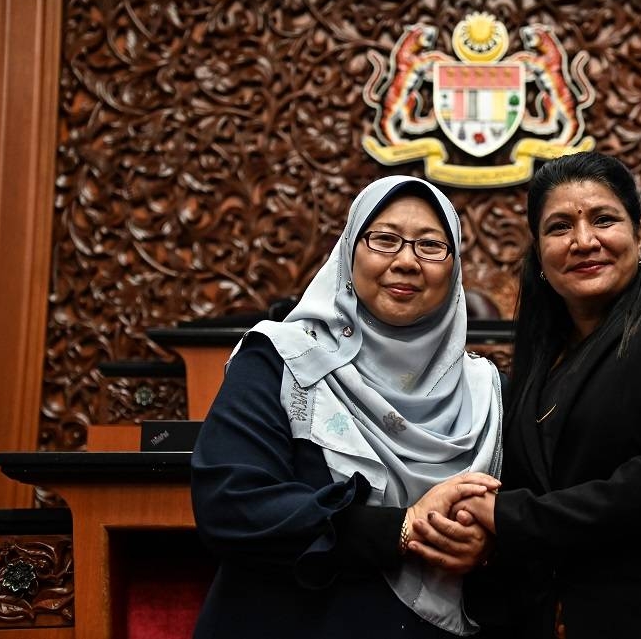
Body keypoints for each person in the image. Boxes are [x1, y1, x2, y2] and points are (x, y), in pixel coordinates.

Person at [410, 152, 641, 638]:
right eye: (559, 227)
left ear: (640, 235)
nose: (584, 241)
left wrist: (510, 516)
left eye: (604, 219)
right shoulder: (539, 361)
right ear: (540, 253)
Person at [190, 175, 503, 638]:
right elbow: (231, 505)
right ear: (348, 253)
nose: (406, 261)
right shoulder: (282, 361)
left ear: (454, 269)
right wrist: (402, 528)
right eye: (384, 240)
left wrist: (488, 540)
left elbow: (526, 513)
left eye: (430, 246)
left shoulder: (488, 390)